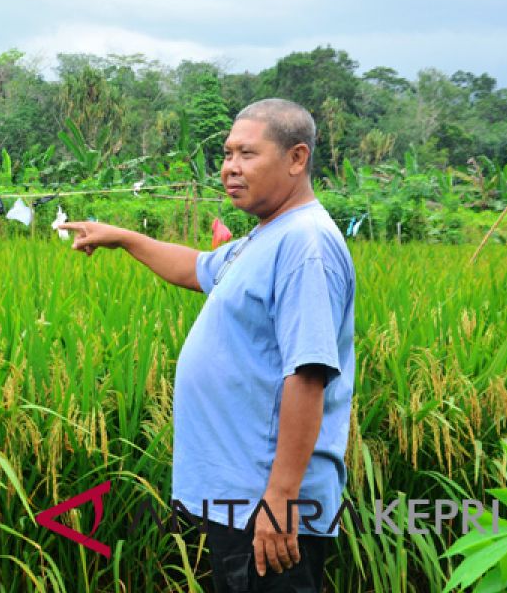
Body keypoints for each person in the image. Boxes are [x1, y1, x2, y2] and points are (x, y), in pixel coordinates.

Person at [62, 98, 355, 593]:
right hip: (239, 500)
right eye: (226, 154)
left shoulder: (306, 244)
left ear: (296, 158)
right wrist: (124, 237)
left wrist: (281, 499)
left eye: (247, 154)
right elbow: (198, 267)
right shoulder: (264, 237)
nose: (230, 168)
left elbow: (308, 375)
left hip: (268, 505)